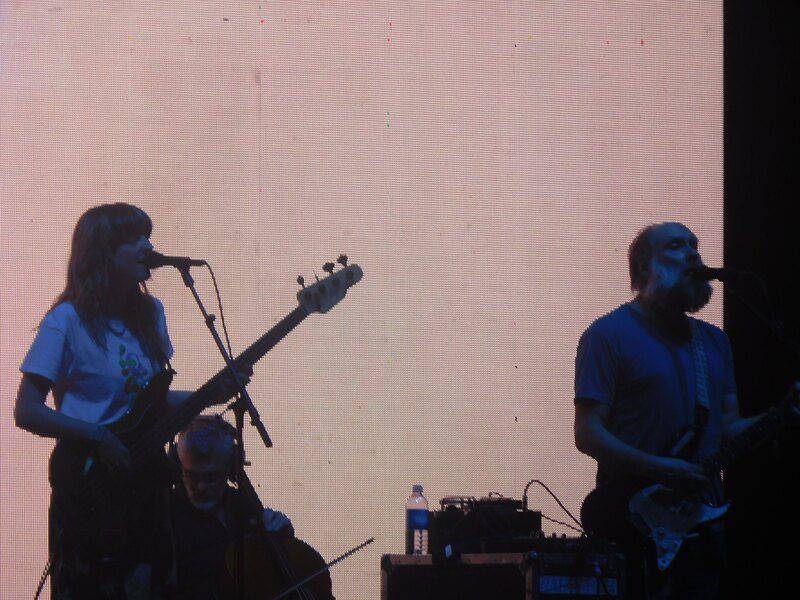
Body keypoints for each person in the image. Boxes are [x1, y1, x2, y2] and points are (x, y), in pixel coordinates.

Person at [13, 203, 245, 599]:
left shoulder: (150, 313)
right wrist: (98, 436)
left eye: (147, 236)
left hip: (145, 486)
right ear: (103, 251)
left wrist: (209, 395)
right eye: (133, 239)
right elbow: (27, 409)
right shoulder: (67, 321)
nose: (147, 246)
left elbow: (149, 404)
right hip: (89, 486)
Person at [573, 221, 799, 599]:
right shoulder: (608, 335)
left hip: (702, 526)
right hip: (634, 523)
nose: (694, 253)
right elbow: (588, 433)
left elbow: (726, 431)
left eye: (696, 245)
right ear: (645, 266)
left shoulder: (713, 342)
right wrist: (662, 468)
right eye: (677, 245)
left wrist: (780, 415)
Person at [169, 414, 307, 600]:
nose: (201, 486)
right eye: (192, 475)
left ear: (230, 468)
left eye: (212, 476)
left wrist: (283, 538)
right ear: (179, 467)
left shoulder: (243, 505)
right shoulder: (165, 517)